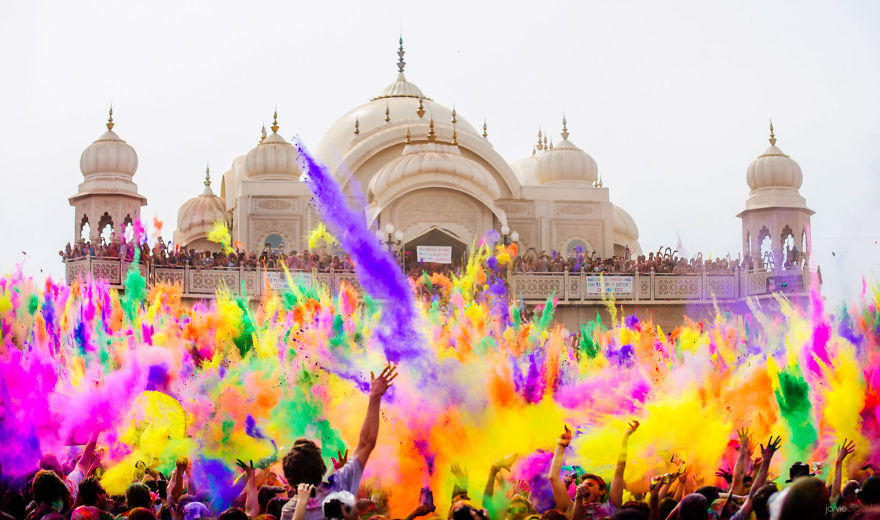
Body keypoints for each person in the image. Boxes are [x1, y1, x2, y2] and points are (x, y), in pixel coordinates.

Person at [280, 364, 398, 520]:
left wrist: (302, 503)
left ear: (290, 480)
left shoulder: (289, 511)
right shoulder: (340, 485)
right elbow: (366, 444)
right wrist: (375, 396)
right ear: (321, 465)